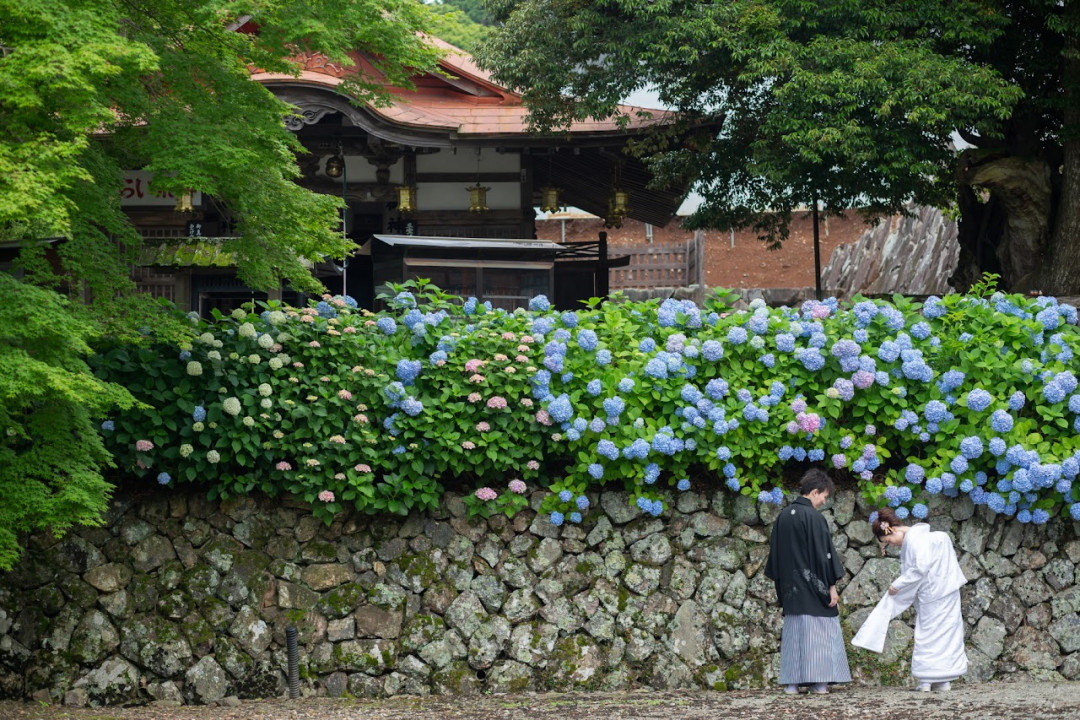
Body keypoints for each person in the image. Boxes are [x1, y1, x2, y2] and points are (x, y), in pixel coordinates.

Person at [852, 507, 968, 692]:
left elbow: (920, 567)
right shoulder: (929, 537)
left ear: (894, 530)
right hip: (945, 590)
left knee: (929, 635)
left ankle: (928, 680)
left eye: (889, 540)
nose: (891, 544)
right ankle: (942, 679)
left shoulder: (916, 540)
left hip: (933, 593)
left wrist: (898, 584)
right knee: (946, 633)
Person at [765, 468, 851, 694]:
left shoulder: (783, 517)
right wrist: (831, 586)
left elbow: (775, 557)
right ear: (815, 492)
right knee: (819, 633)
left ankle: (792, 684)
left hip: (791, 589)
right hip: (814, 588)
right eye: (824, 496)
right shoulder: (814, 518)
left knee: (795, 635)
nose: (824, 501)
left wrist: (783, 585)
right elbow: (824, 555)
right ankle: (819, 683)